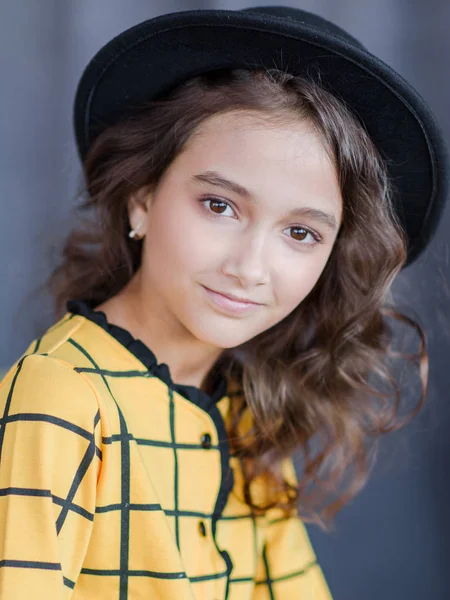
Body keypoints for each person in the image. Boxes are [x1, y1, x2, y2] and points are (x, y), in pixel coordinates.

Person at [0, 5, 448, 600]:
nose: (249, 268)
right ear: (142, 197)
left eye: (300, 233)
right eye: (219, 205)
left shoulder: (243, 415)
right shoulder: (62, 396)